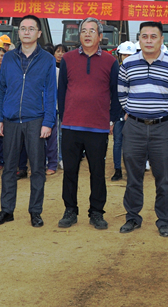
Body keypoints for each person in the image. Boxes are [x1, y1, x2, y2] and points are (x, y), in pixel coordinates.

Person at [117, 22, 168, 237]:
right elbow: (122, 94)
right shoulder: (128, 64)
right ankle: (132, 217)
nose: (148, 40)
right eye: (144, 36)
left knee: (163, 179)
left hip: (161, 130)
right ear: (139, 39)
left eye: (153, 36)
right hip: (134, 128)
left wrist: (164, 118)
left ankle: (164, 221)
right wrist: (135, 113)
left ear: (161, 39)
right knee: (133, 177)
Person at [0, 15, 57, 228]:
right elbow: (1, 90)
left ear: (39, 33)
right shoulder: (9, 58)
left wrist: (48, 121)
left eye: (31, 28)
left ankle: (35, 211)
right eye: (23, 28)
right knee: (9, 168)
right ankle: (6, 210)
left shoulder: (47, 59)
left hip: (36, 120)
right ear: (18, 32)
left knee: (37, 168)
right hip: (10, 120)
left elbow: (51, 93)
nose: (26, 32)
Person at [56, 18, 120, 230]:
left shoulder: (110, 61)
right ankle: (70, 210)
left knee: (98, 171)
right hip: (71, 126)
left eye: (92, 31)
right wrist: (65, 117)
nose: (87, 34)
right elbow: (62, 91)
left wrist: (111, 119)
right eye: (83, 30)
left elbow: (116, 93)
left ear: (100, 36)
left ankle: (97, 212)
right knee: (70, 171)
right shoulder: (68, 59)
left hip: (98, 127)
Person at [111, 41, 136, 182]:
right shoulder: (115, 71)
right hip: (118, 114)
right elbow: (113, 95)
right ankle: (117, 170)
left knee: (132, 144)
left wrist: (130, 111)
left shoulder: (139, 72)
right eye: (124, 55)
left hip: (133, 114)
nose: (126, 57)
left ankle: (131, 170)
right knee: (117, 142)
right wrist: (112, 117)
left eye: (129, 55)